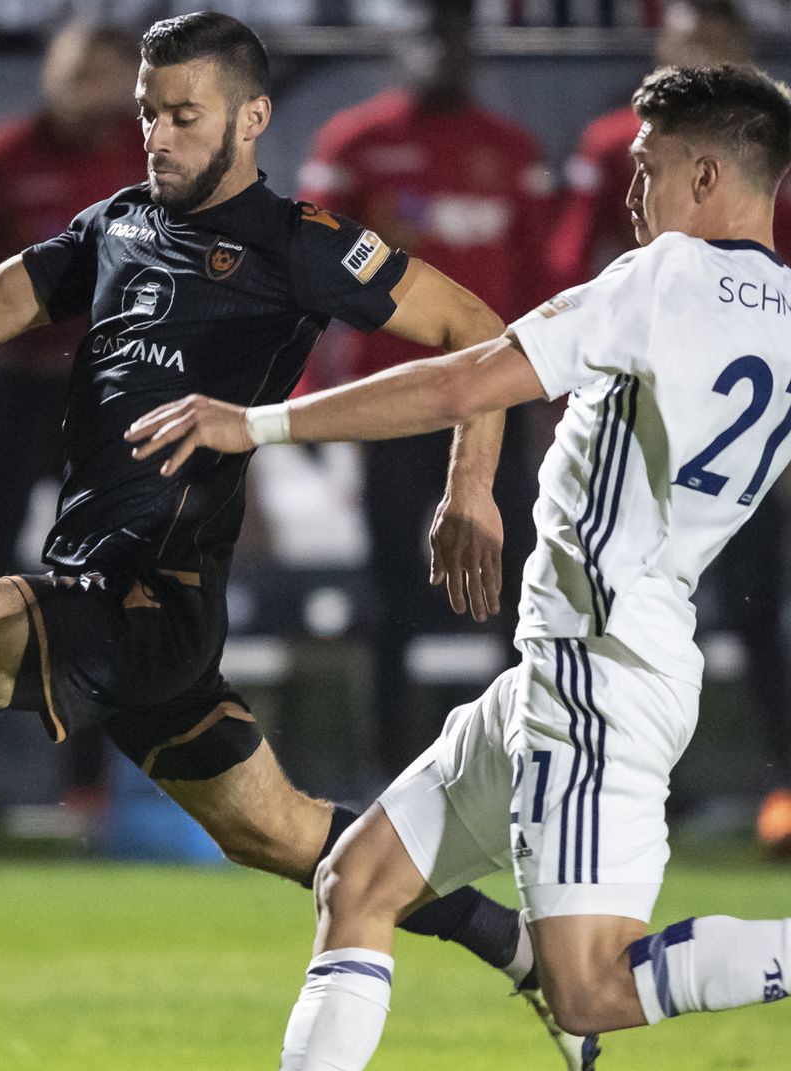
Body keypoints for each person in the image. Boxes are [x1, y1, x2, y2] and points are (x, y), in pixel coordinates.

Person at [0, 15, 584, 1071]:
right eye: (149, 111)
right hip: (107, 590)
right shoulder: (116, 224)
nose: (157, 134)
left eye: (183, 115)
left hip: (150, 594)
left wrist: (469, 488)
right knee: (286, 837)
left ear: (251, 119)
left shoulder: (298, 241)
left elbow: (482, 331)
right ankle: (526, 952)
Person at [126, 64, 791, 1071]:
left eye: (647, 167)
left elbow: (465, 382)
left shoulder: (660, 283)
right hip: (575, 667)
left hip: (596, 681)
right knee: (358, 882)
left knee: (593, 987)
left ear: (706, 174)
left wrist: (253, 423)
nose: (630, 192)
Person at [550, 0, 791, 852]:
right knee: (616, 607)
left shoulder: (788, 157)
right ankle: (625, 792)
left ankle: (785, 788)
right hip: (637, 420)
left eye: (713, 49)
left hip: (738, 425)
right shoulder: (614, 146)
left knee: (755, 609)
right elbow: (570, 267)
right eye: (683, 47)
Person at [295, 5, 551, 777]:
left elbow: (547, 281)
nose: (443, 56)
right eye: (429, 38)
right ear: (401, 48)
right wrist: (306, 384)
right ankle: (390, 769)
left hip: (498, 400)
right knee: (393, 588)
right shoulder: (356, 146)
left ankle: (510, 760)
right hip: (395, 398)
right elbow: (304, 270)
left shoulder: (514, 153)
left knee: (509, 588)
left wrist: (558, 395)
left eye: (457, 41)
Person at [0, 21, 143, 831]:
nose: (91, 92)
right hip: (8, 387)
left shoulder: (154, 160)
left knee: (97, 580)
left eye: (106, 77)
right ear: (49, 76)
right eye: (77, 74)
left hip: (107, 390)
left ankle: (86, 792)